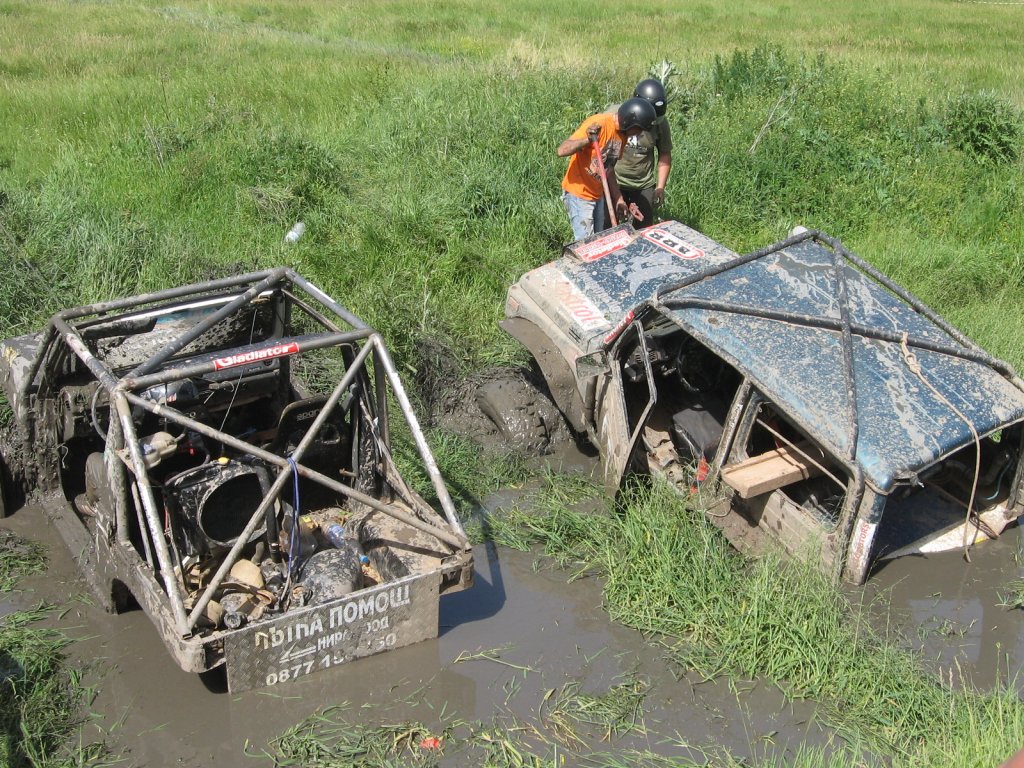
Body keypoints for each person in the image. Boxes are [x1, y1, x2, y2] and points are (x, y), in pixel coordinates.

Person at [557, 97, 658, 241]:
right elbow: (562, 150)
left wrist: (619, 199)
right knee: (586, 243)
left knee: (599, 239)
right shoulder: (600, 123)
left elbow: (609, 169)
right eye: (638, 129)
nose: (638, 134)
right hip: (579, 193)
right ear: (630, 122)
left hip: (597, 194)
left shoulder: (622, 136)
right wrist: (588, 139)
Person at [611, 78, 673, 229]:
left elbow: (665, 154)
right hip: (614, 181)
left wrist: (660, 187)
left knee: (644, 229)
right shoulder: (614, 116)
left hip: (643, 183)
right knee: (608, 228)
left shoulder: (660, 124)